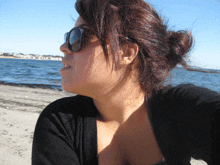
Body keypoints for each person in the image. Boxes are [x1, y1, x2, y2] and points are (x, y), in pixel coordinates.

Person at [32, 0, 220, 164]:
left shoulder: (180, 108)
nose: (63, 47)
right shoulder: (61, 122)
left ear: (127, 53)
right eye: (68, 37)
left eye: (78, 36)